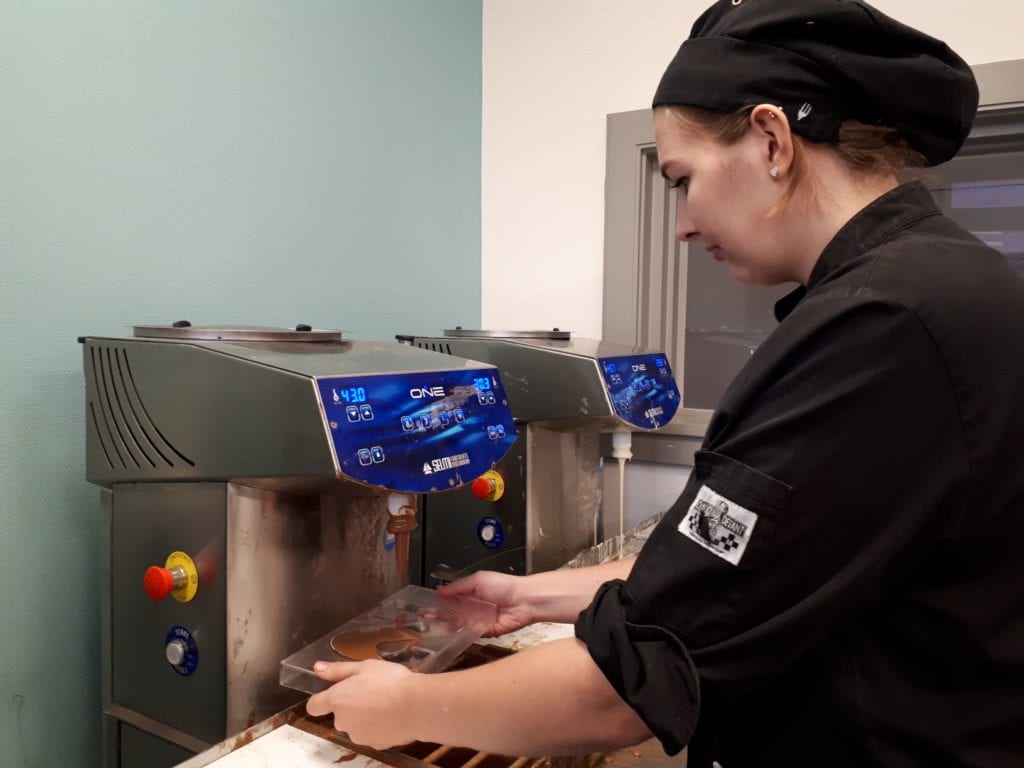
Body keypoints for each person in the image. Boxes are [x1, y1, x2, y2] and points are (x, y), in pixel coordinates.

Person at [307, 1, 1024, 765]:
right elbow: (748, 566)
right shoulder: (948, 283)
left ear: (773, 141)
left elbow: (621, 690)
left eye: (682, 178)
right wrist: (534, 595)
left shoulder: (880, 328)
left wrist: (410, 705)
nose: (681, 223)